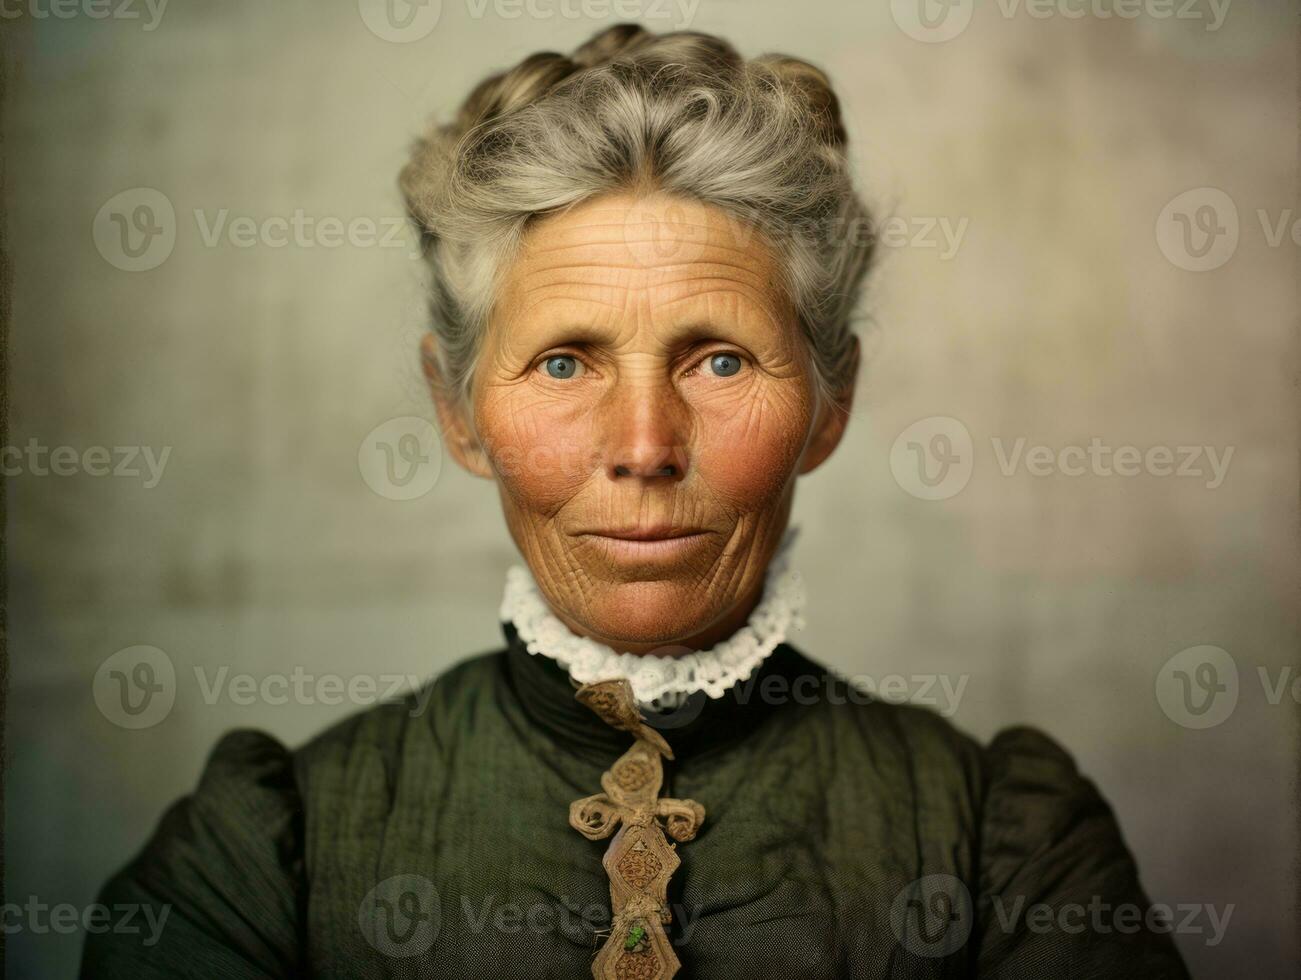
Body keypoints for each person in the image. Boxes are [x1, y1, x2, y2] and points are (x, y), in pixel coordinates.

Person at [81, 23, 1190, 979]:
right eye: (564, 362)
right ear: (458, 411)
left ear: (831, 401)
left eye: (716, 360)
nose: (645, 445)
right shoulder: (264, 856)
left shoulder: (1007, 842)